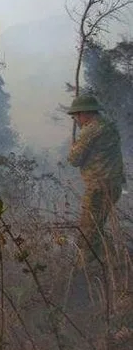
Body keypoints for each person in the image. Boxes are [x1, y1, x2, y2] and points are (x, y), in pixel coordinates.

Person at [67, 94, 126, 262]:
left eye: (76, 115)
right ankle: (112, 260)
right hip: (114, 185)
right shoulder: (109, 125)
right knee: (97, 226)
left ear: (85, 113)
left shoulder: (91, 130)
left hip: (98, 187)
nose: (76, 119)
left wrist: (73, 148)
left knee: (88, 231)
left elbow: (74, 160)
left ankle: (86, 268)